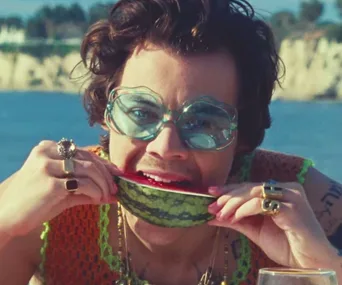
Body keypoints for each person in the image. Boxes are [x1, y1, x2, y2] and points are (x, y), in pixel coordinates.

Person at [0, 0, 341, 284]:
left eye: (204, 121)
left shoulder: (299, 204)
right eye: (140, 112)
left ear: (242, 136)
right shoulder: (48, 210)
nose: (165, 147)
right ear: (107, 112)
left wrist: (325, 267)